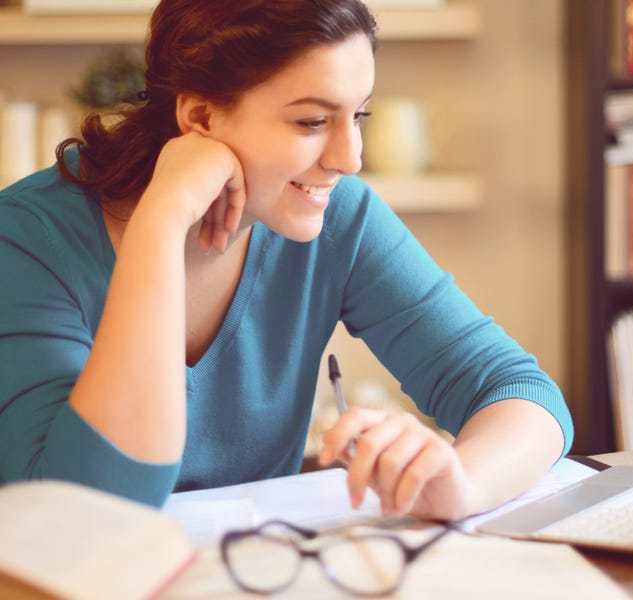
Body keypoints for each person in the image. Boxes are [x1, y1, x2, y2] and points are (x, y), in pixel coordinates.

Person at [0, 0, 572, 521]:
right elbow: (85, 510)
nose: (350, 159)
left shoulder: (340, 217)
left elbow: (520, 391)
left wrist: (461, 483)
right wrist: (163, 220)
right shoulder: (25, 238)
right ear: (199, 118)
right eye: (311, 121)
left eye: (359, 116)